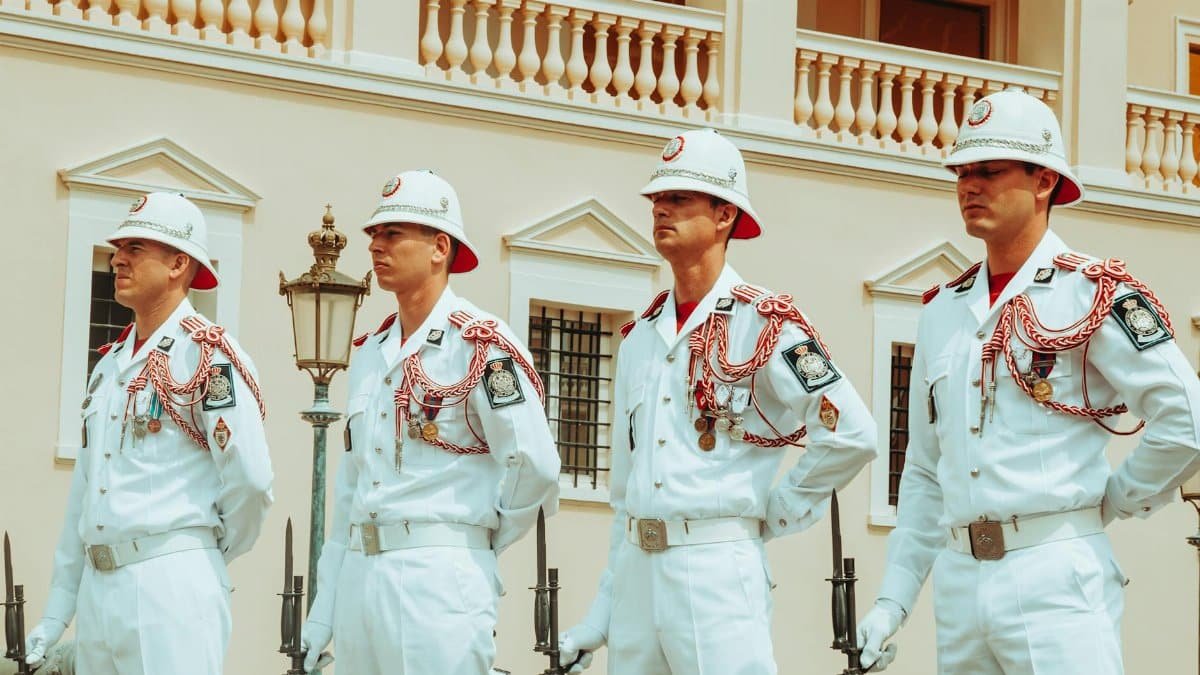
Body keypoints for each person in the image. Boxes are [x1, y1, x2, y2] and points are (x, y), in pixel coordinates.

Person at [856, 90, 1200, 674]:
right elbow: (923, 472)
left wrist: (1114, 501)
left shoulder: (1092, 292)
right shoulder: (943, 309)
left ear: (1044, 181)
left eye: (989, 171)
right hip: (961, 581)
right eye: (962, 173)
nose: (969, 186)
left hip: (1054, 576)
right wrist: (892, 601)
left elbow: (1187, 419)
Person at [558, 128, 878, 674]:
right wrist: (602, 615)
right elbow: (626, 495)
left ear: (724, 214)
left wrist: (773, 514)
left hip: (714, 570)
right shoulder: (639, 336)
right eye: (658, 199)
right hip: (637, 573)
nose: (661, 210)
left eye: (679, 198)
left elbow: (852, 433)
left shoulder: (765, 324)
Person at [300, 169, 561, 674]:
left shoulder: (480, 345)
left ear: (440, 247)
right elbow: (350, 493)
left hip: (437, 579)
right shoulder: (372, 353)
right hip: (362, 576)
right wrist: (323, 611)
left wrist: (476, 536)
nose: (376, 245)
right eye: (374, 234)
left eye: (393, 233)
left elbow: (536, 465)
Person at [25, 192, 275, 674]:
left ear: (179, 263)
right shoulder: (111, 366)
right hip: (99, 590)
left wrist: (200, 550)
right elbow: (85, 493)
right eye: (119, 247)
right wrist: (59, 611)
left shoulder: (207, 357)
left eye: (137, 247)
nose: (118, 257)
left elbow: (251, 479)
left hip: (169, 586)